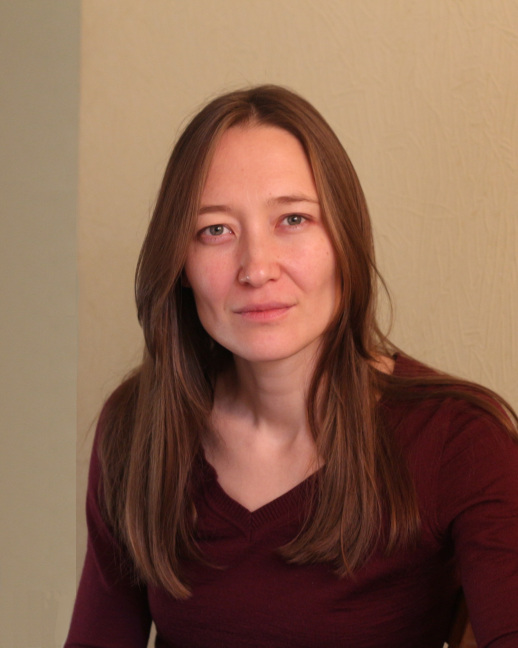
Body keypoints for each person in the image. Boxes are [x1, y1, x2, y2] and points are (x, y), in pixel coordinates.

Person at [65, 85, 518, 648]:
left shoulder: (460, 438)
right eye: (215, 230)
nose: (257, 268)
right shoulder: (138, 428)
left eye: (294, 219)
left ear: (345, 238)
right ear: (179, 262)